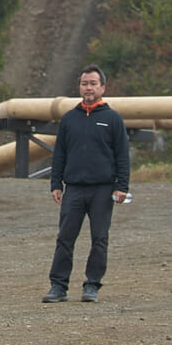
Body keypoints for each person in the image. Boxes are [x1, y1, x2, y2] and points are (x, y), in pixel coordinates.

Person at [45, 65, 131, 303]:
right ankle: (58, 287)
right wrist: (56, 183)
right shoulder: (69, 119)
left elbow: (122, 156)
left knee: (99, 239)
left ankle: (92, 285)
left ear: (102, 87)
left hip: (103, 189)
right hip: (74, 189)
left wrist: (122, 186)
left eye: (93, 83)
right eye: (85, 84)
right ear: (79, 87)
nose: (88, 88)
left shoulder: (112, 119)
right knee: (65, 238)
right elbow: (59, 154)